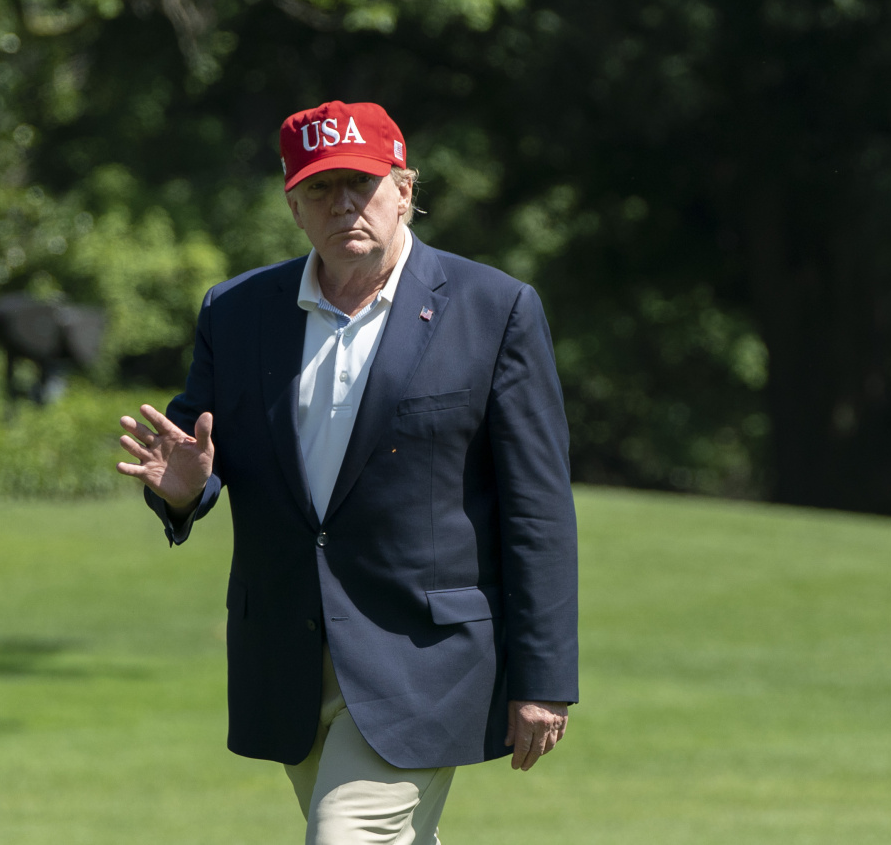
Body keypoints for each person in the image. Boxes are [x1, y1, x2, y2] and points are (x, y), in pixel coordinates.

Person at [115, 100, 579, 845]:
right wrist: (185, 493)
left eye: (361, 183)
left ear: (405, 189)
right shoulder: (235, 312)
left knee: (343, 837)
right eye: (320, 188)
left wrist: (544, 679)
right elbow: (195, 453)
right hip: (287, 656)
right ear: (293, 206)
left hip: (425, 660)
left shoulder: (495, 309)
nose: (343, 204)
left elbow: (538, 509)